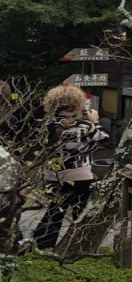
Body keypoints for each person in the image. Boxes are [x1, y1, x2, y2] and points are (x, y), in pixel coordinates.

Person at [32, 84, 107, 249]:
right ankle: (78, 247)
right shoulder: (85, 126)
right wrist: (96, 121)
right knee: (79, 213)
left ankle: (43, 245)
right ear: (77, 104)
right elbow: (104, 139)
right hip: (80, 176)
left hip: (53, 176)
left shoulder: (45, 126)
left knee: (54, 211)